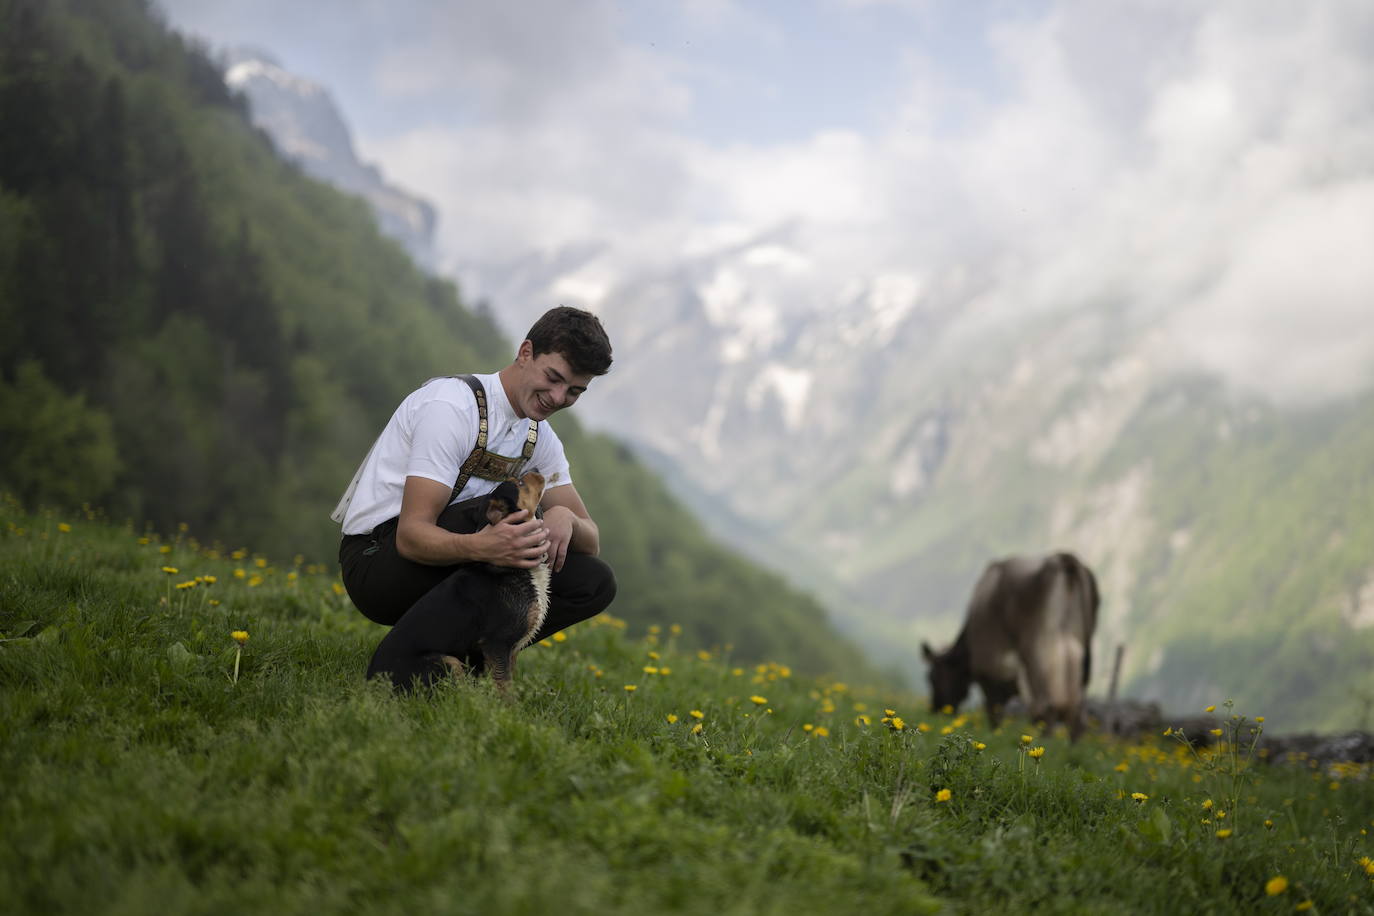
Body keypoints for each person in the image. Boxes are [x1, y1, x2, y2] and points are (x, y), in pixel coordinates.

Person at [334, 306, 616, 689]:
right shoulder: (451, 407)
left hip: (462, 559)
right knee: (505, 505)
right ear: (526, 352)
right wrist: (484, 547)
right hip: (378, 562)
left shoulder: (540, 438)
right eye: (553, 378)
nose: (557, 397)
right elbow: (411, 536)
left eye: (574, 391)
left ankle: (466, 662)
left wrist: (565, 517)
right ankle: (418, 658)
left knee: (594, 581)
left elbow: (591, 539)